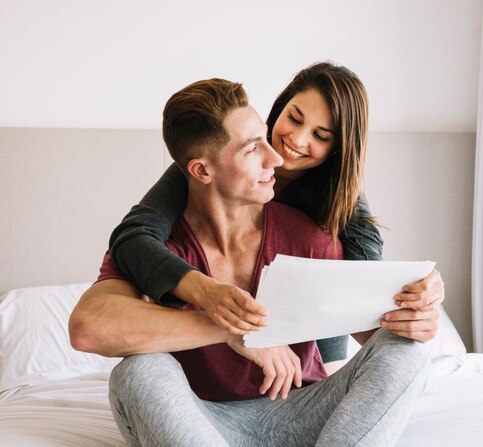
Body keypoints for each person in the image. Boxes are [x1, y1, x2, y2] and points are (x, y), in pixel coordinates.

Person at [70, 78, 431, 446]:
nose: (278, 155)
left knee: (406, 352)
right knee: (137, 370)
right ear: (201, 171)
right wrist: (232, 329)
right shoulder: (151, 247)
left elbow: (375, 327)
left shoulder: (311, 235)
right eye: (252, 148)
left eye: (321, 136)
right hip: (198, 420)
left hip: (303, 411)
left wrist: (419, 307)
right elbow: (88, 328)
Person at [107, 62, 445, 368]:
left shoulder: (344, 204)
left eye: (320, 135)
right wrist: (206, 292)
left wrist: (419, 303)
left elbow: (369, 295)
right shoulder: (213, 165)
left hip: (313, 358)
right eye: (294, 118)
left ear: (339, 148)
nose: (294, 140)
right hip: (217, 357)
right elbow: (133, 237)